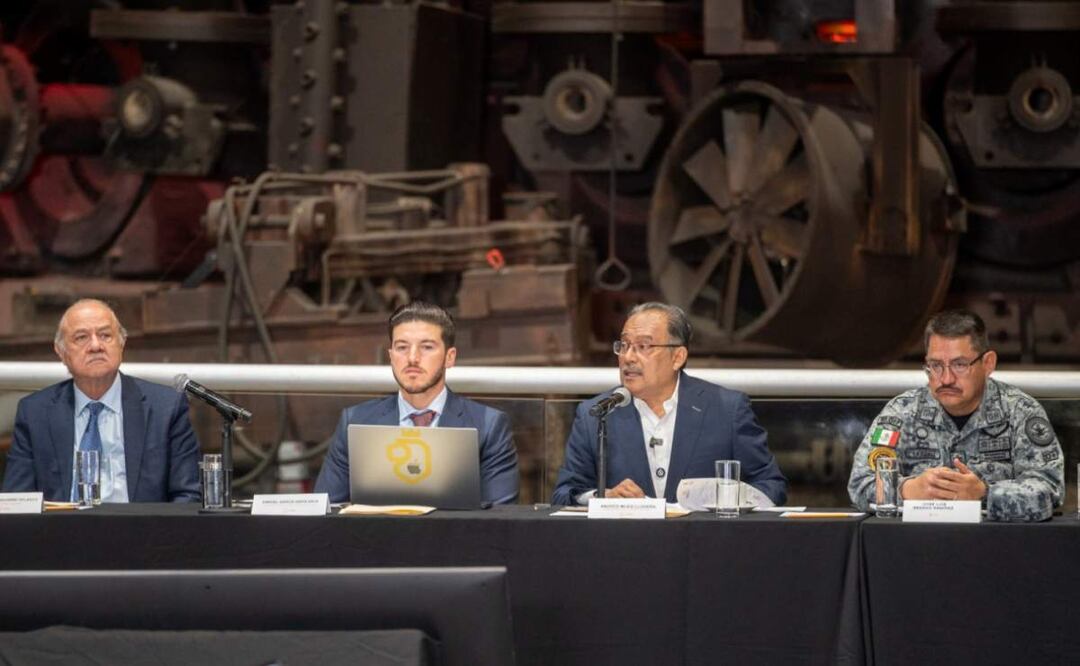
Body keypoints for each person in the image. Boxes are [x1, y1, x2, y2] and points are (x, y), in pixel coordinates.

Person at [552, 302, 787, 506]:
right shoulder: (596, 413)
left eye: (643, 346)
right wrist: (602, 497)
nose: (628, 357)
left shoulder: (726, 410)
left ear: (678, 358)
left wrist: (725, 503)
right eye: (623, 345)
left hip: (704, 548)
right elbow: (564, 494)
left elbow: (770, 486)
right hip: (627, 549)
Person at [848, 309, 1064, 521]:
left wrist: (985, 494)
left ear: (988, 363)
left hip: (996, 547)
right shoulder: (902, 412)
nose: (946, 378)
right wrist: (907, 489)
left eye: (960, 365)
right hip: (918, 547)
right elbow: (860, 484)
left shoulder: (1020, 411)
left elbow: (1050, 491)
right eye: (936, 365)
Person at [315, 301, 519, 504]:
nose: (412, 358)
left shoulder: (488, 425)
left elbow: (499, 518)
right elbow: (325, 511)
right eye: (402, 347)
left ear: (450, 357)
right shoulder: (355, 421)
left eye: (427, 347)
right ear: (391, 356)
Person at [2, 299, 201, 502]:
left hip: (141, 531)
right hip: (62, 531)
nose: (96, 346)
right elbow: (17, 501)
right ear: (61, 352)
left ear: (121, 343)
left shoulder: (165, 408)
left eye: (105, 335)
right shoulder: (35, 412)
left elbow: (187, 496)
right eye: (81, 338)